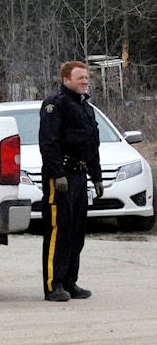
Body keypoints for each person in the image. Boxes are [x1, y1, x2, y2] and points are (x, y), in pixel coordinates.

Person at [38, 61, 104, 302]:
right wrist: (57, 174)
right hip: (61, 176)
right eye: (80, 78)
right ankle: (52, 285)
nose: (85, 81)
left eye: (86, 78)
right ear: (66, 80)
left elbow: (91, 145)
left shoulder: (86, 107)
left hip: (79, 176)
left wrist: (96, 177)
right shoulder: (55, 105)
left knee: (77, 232)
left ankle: (69, 282)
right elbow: (48, 143)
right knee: (59, 231)